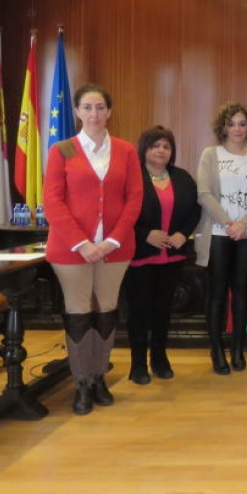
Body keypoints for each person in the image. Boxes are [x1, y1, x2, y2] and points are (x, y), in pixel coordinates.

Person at [42, 84, 144, 415]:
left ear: (109, 111)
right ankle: (81, 382)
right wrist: (82, 242)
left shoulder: (126, 151)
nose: (94, 114)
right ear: (77, 111)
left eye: (100, 107)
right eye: (87, 107)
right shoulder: (63, 150)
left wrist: (112, 240)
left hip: (116, 248)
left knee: (106, 311)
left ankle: (100, 376)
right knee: (78, 313)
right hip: (72, 250)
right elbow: (52, 201)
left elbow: (134, 199)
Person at [123, 125, 201, 385]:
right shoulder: (131, 176)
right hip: (140, 256)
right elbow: (122, 213)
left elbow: (194, 211)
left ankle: (159, 358)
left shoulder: (182, 177)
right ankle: (137, 364)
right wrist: (145, 234)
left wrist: (183, 233)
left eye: (166, 146)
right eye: (155, 145)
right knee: (139, 311)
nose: (161, 150)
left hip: (172, 257)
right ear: (144, 149)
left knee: (162, 310)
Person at [195, 101, 247, 375]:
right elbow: (204, 194)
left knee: (241, 292)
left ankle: (238, 350)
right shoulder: (211, 154)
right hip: (219, 234)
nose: (237, 129)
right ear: (223, 126)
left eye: (242, 123)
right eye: (232, 123)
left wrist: (243, 223)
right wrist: (229, 223)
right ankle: (217, 351)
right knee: (218, 293)